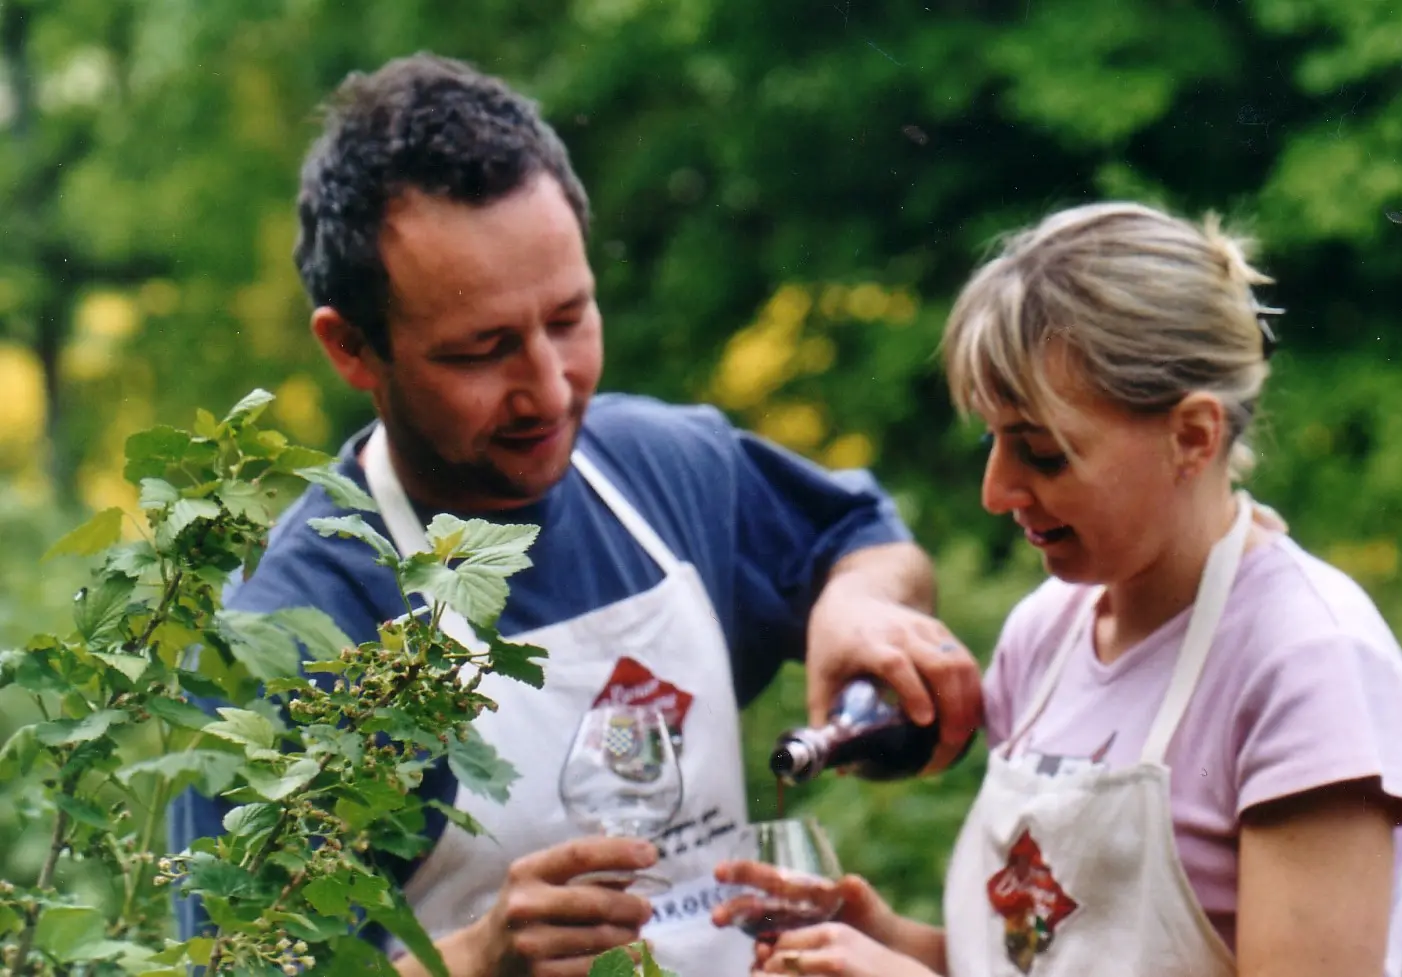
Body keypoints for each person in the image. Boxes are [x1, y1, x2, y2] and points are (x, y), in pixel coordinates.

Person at [167, 53, 982, 977]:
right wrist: (474, 959)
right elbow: (229, 966)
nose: (549, 390)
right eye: (483, 350)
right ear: (352, 347)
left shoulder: (666, 469)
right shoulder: (286, 634)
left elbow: (861, 540)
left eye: (569, 318)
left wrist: (860, 607)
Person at [714, 202, 1402, 977]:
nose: (997, 490)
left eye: (1043, 453)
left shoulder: (1309, 665)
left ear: (1192, 436)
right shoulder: (1047, 631)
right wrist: (883, 940)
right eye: (993, 440)